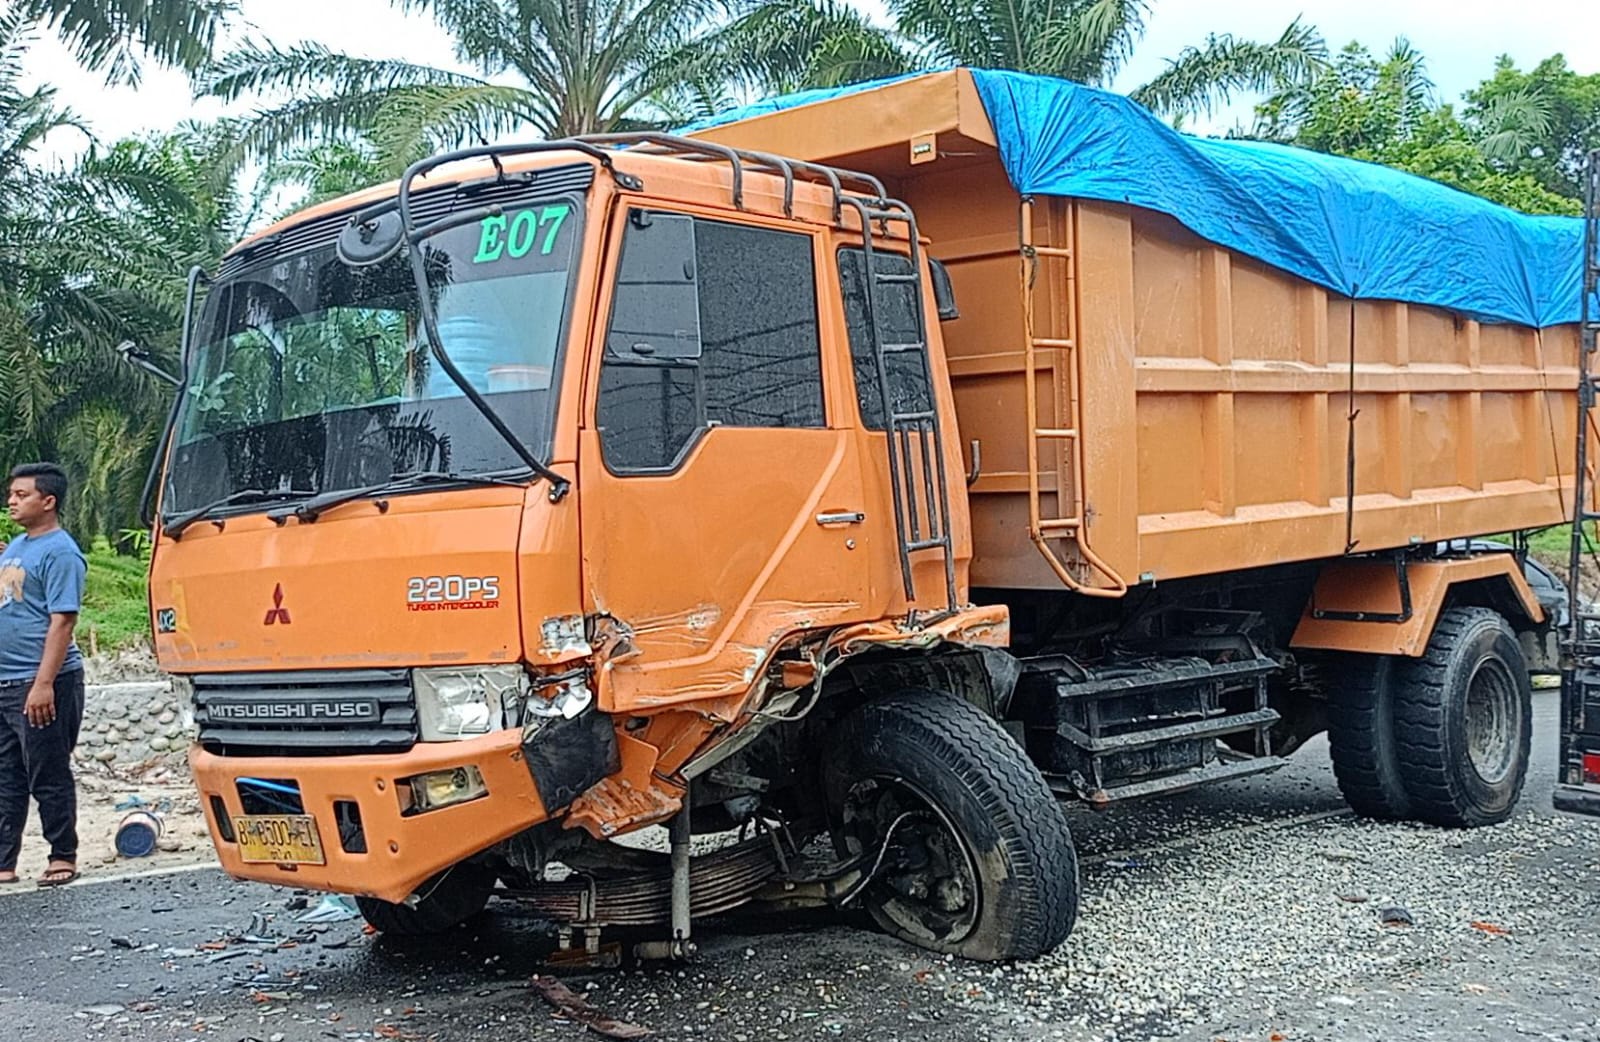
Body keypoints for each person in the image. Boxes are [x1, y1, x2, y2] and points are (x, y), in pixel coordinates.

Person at [0, 463, 88, 887]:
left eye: (21, 495)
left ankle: (62, 855)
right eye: (11, 494)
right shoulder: (17, 545)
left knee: (47, 772)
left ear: (48, 501)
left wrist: (43, 684)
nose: (12, 501)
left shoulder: (61, 551)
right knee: (6, 775)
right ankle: (5, 861)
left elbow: (62, 621)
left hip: (41, 682)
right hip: (4, 680)